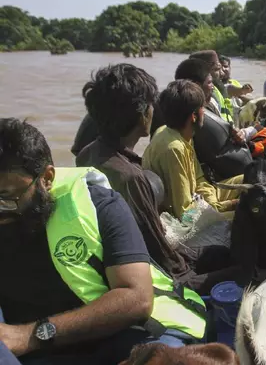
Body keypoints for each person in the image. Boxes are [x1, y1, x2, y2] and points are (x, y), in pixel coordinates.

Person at [0, 118, 205, 364]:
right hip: (42, 353)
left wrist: (34, 335)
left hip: (117, 333)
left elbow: (136, 298)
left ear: (47, 178)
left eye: (7, 198)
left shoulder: (99, 205)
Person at [76, 64, 240, 294]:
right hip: (159, 275)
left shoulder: (88, 153)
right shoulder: (130, 177)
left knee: (218, 254)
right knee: (244, 269)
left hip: (128, 257)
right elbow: (160, 254)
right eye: (151, 105)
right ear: (143, 114)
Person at [143, 80, 243, 220]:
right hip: (183, 220)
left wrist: (213, 202)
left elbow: (199, 179)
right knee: (244, 217)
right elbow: (185, 213)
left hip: (200, 199)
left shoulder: (181, 133)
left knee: (249, 179)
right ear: (194, 116)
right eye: (203, 108)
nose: (205, 112)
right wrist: (230, 205)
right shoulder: (174, 149)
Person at [174, 58, 254, 182]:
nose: (213, 87)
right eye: (210, 83)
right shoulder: (194, 116)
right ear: (194, 85)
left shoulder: (208, 104)